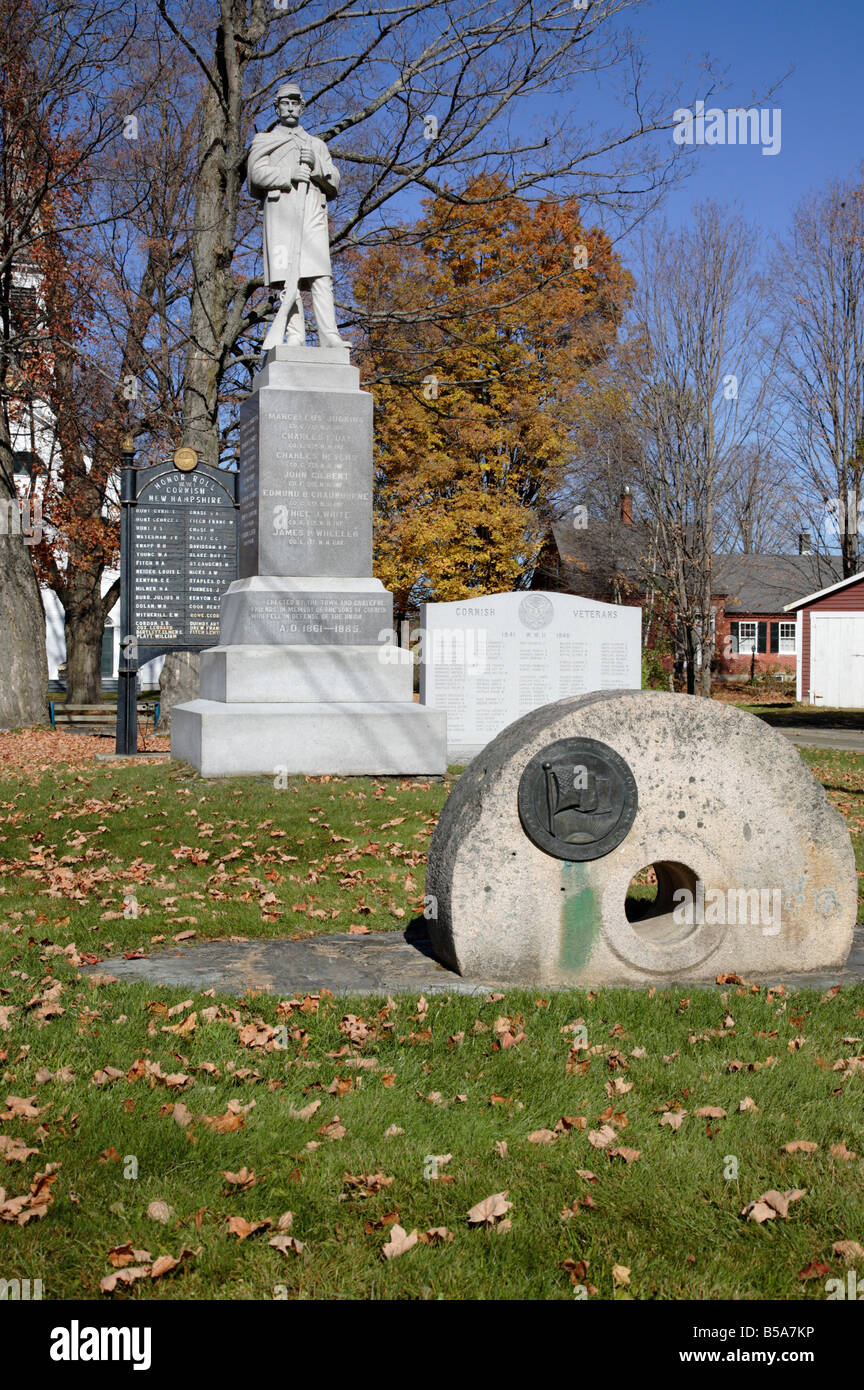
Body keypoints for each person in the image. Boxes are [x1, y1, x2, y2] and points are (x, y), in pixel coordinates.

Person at [246, 81, 349, 349]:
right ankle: (294, 336)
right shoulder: (264, 140)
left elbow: (335, 181)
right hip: (280, 214)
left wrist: (315, 168)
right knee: (285, 277)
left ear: (302, 107)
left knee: (320, 275)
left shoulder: (316, 145)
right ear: (277, 107)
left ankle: (329, 335)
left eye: (295, 103)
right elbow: (255, 175)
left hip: (312, 211)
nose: (290, 108)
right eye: (285, 103)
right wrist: (288, 174)